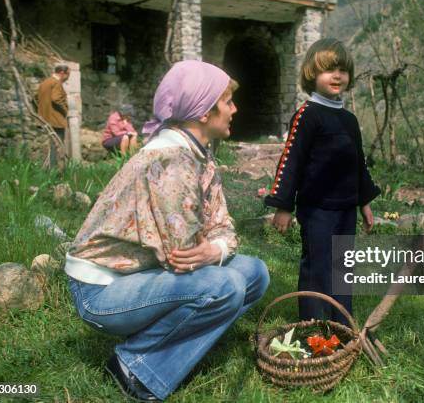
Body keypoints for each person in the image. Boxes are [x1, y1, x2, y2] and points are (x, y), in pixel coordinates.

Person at [66, 60, 269, 402]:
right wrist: (210, 249)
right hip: (102, 291)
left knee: (255, 272)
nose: (235, 109)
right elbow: (182, 255)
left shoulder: (198, 155)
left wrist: (215, 250)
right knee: (226, 284)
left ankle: (175, 346)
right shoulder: (169, 160)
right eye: (228, 101)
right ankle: (136, 365)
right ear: (204, 111)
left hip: (141, 278)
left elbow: (223, 228)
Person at [264, 38, 380, 325]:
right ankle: (313, 326)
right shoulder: (307, 115)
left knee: (342, 268)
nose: (337, 75)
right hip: (317, 210)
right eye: (328, 69)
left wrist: (364, 201)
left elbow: (358, 163)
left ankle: (341, 324)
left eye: (342, 69)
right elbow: (291, 161)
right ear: (312, 75)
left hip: (345, 210)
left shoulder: (349, 120)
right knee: (318, 266)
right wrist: (282, 206)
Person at [35, 64, 69, 166]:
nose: (68, 77)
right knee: (56, 146)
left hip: (44, 119)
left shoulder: (44, 83)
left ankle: (48, 169)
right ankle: (54, 171)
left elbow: (36, 98)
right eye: (68, 74)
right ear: (62, 73)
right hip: (56, 120)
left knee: (49, 146)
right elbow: (56, 99)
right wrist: (65, 110)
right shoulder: (56, 83)